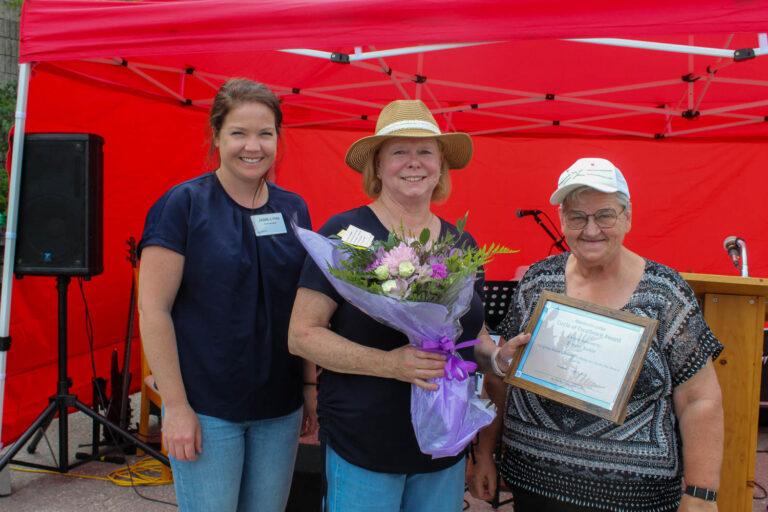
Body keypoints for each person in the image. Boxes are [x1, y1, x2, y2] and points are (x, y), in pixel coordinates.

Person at [288, 99, 529, 512]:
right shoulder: (345, 234)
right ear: (378, 167)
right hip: (365, 442)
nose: (413, 162)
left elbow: (474, 338)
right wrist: (389, 364)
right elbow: (302, 335)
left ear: (440, 167)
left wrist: (498, 358)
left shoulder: (462, 245)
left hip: (443, 445)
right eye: (399, 151)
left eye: (425, 152)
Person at [470, 157, 724, 511]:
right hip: (533, 488)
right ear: (562, 221)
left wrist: (701, 493)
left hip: (636, 500)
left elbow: (701, 399)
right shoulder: (537, 282)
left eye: (604, 215)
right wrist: (485, 452)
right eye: (577, 217)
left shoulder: (665, 293)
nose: (591, 229)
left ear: (627, 217)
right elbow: (503, 377)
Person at [137, 78, 317, 512]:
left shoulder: (293, 209)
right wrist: (176, 407)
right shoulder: (182, 205)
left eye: (265, 133)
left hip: (279, 407)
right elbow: (153, 310)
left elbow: (306, 307)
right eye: (238, 133)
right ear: (216, 135)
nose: (252, 146)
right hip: (207, 409)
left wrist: (309, 389)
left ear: (278, 138)